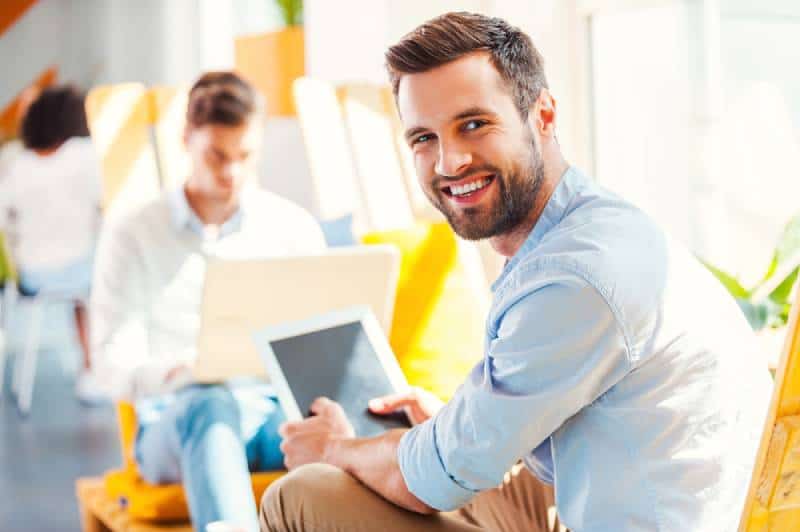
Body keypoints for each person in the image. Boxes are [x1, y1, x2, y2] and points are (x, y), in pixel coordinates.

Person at [259, 12, 773, 532]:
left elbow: (434, 479)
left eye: (474, 124)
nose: (450, 161)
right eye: (423, 138)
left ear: (543, 115)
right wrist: (459, 427)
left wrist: (337, 447)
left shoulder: (572, 276)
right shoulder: (600, 227)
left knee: (302, 495)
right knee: (452, 464)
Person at [90, 71, 326, 532]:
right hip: (175, 424)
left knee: (330, 420)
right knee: (207, 401)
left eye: (245, 156)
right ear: (186, 139)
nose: (232, 173)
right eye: (216, 155)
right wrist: (179, 372)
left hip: (269, 417)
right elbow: (109, 364)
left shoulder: (292, 226)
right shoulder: (133, 232)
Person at [0, 85, 104, 403]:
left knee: (84, 287)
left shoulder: (19, 165)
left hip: (31, 278)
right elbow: (106, 204)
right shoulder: (85, 156)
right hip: (81, 275)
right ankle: (93, 368)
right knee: (92, 288)